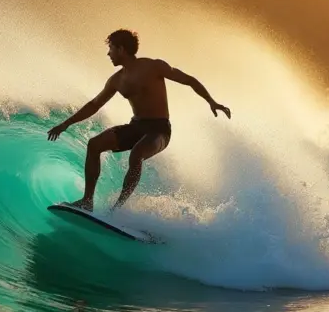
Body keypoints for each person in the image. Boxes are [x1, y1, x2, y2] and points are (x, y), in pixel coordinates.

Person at [47, 29, 231, 212]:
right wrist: (65, 124)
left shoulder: (154, 66)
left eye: (111, 48)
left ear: (121, 49)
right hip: (136, 126)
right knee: (94, 144)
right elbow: (94, 105)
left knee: (137, 154)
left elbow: (189, 80)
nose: (108, 53)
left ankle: (117, 209)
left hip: (159, 130)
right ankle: (87, 201)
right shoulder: (116, 80)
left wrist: (211, 101)